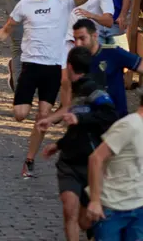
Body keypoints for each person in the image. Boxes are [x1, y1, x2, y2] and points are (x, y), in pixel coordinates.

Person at [0, 0, 96, 178]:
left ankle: (29, 160)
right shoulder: (25, 5)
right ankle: (13, 72)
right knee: (20, 115)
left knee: (43, 116)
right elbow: (6, 30)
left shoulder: (64, 2)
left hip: (52, 67)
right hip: (30, 65)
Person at [40, 46, 118, 241]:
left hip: (91, 163)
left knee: (84, 221)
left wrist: (80, 119)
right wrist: (59, 145)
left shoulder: (94, 90)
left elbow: (109, 115)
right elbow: (75, 130)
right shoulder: (74, 90)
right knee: (69, 211)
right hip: (69, 163)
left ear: (69, 66)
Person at [86, 94, 143, 239]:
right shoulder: (129, 125)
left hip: (138, 207)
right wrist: (95, 200)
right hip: (112, 207)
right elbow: (96, 158)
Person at [72, 19, 142, 116]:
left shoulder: (113, 53)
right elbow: (70, 96)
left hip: (116, 119)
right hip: (89, 120)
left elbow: (140, 65)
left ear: (95, 36)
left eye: (82, 38)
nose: (77, 44)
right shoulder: (76, 60)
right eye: (75, 39)